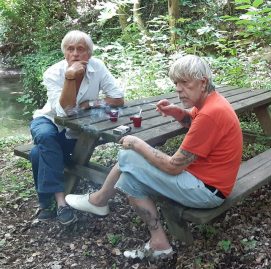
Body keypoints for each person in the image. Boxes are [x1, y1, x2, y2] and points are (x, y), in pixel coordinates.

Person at [65, 54, 243, 258]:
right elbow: (192, 120)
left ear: (203, 83)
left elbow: (173, 166)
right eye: (176, 82)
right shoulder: (211, 103)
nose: (177, 88)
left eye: (184, 82)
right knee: (129, 179)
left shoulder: (211, 113)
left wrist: (138, 143)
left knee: (128, 155)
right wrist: (176, 112)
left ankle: (99, 200)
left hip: (208, 191)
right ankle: (159, 242)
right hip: (208, 182)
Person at [29, 30, 124, 225]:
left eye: (80, 49)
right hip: (48, 120)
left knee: (39, 152)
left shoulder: (98, 68)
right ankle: (61, 202)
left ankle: (44, 203)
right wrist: (70, 76)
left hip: (73, 130)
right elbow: (65, 112)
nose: (75, 54)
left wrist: (91, 104)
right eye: (70, 49)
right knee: (46, 137)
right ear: (64, 52)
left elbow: (117, 98)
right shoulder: (53, 73)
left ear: (89, 53)